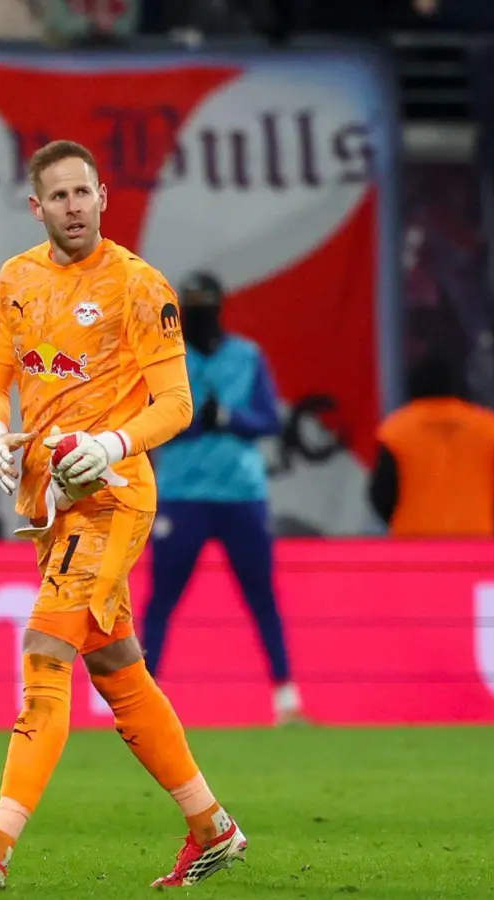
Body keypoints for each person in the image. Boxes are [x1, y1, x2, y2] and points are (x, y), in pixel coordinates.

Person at [0, 140, 249, 891]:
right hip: (51, 503)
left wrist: (109, 443)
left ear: (104, 196)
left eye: (84, 193)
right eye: (58, 197)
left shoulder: (139, 287)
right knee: (116, 667)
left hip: (112, 498)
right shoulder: (16, 280)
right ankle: (213, 827)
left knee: (46, 651)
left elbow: (177, 403)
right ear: (35, 207)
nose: (74, 207)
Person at [144, 272, 304, 726]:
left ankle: (286, 698)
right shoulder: (166, 359)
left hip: (240, 493)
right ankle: (142, 701)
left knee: (261, 597)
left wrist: (228, 416)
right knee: (162, 600)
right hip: (183, 493)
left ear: (219, 308)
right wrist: (198, 419)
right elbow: (152, 419)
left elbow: (269, 419)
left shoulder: (247, 356)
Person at [368, 356, 494, 536]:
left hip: (414, 545)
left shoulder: (397, 430)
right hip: (476, 544)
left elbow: (381, 494)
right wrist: (491, 509)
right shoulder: (486, 428)